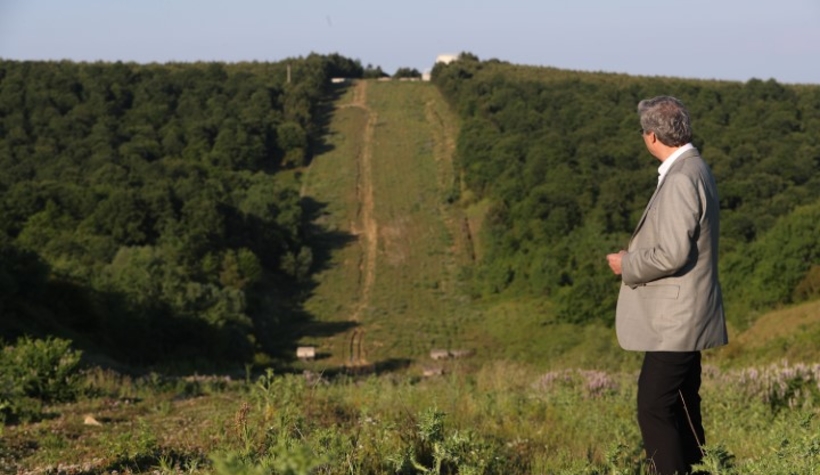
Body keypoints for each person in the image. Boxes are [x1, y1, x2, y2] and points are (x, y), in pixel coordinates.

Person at [606, 95, 728, 475]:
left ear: (652, 136)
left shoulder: (680, 178)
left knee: (654, 407)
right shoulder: (696, 167)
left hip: (675, 321)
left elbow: (673, 253)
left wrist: (628, 264)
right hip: (690, 314)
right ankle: (702, 469)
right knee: (683, 404)